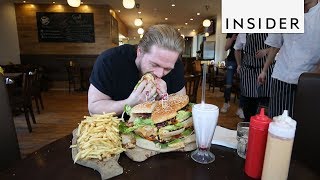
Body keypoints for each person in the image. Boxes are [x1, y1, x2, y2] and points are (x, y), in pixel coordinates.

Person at [88, 24, 186, 116]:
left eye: (167, 69)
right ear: (140, 52)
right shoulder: (110, 60)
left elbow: (181, 104)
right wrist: (130, 103)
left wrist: (164, 100)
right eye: (154, 64)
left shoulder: (175, 63)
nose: (160, 74)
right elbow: (94, 107)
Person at [257, 0, 320, 118]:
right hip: (281, 76)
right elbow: (275, 45)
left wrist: (312, 79)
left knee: (303, 124)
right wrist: (264, 70)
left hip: (309, 80)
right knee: (276, 121)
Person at [234, 33, 273, 122]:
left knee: (265, 99)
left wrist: (266, 51)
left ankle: (263, 126)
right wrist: (239, 64)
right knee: (248, 100)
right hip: (248, 70)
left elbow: (278, 46)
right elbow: (237, 49)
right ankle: (248, 124)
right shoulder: (243, 33)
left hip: (266, 69)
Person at [220, 33, 244, 119]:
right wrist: (232, 38)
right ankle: (226, 103)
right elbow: (226, 48)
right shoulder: (231, 32)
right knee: (228, 83)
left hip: (244, 61)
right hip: (231, 60)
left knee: (243, 85)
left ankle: (241, 108)